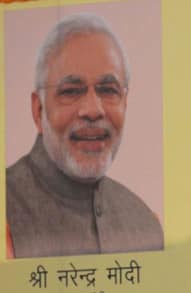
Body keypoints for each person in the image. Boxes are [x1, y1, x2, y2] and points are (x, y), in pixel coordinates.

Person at [6, 13, 163, 259]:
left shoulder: (143, 223)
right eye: (71, 91)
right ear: (38, 111)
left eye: (108, 90)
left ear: (125, 104)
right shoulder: (7, 211)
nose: (93, 110)